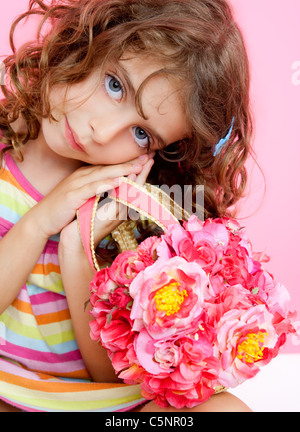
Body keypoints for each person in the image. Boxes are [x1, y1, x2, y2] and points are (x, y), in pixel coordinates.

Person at [0, 0, 253, 412]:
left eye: (140, 133)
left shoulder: (131, 213)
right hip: (8, 386)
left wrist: (78, 250)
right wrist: (38, 222)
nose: (101, 130)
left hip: (91, 404)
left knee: (227, 409)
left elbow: (106, 377)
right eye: (115, 84)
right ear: (87, 40)